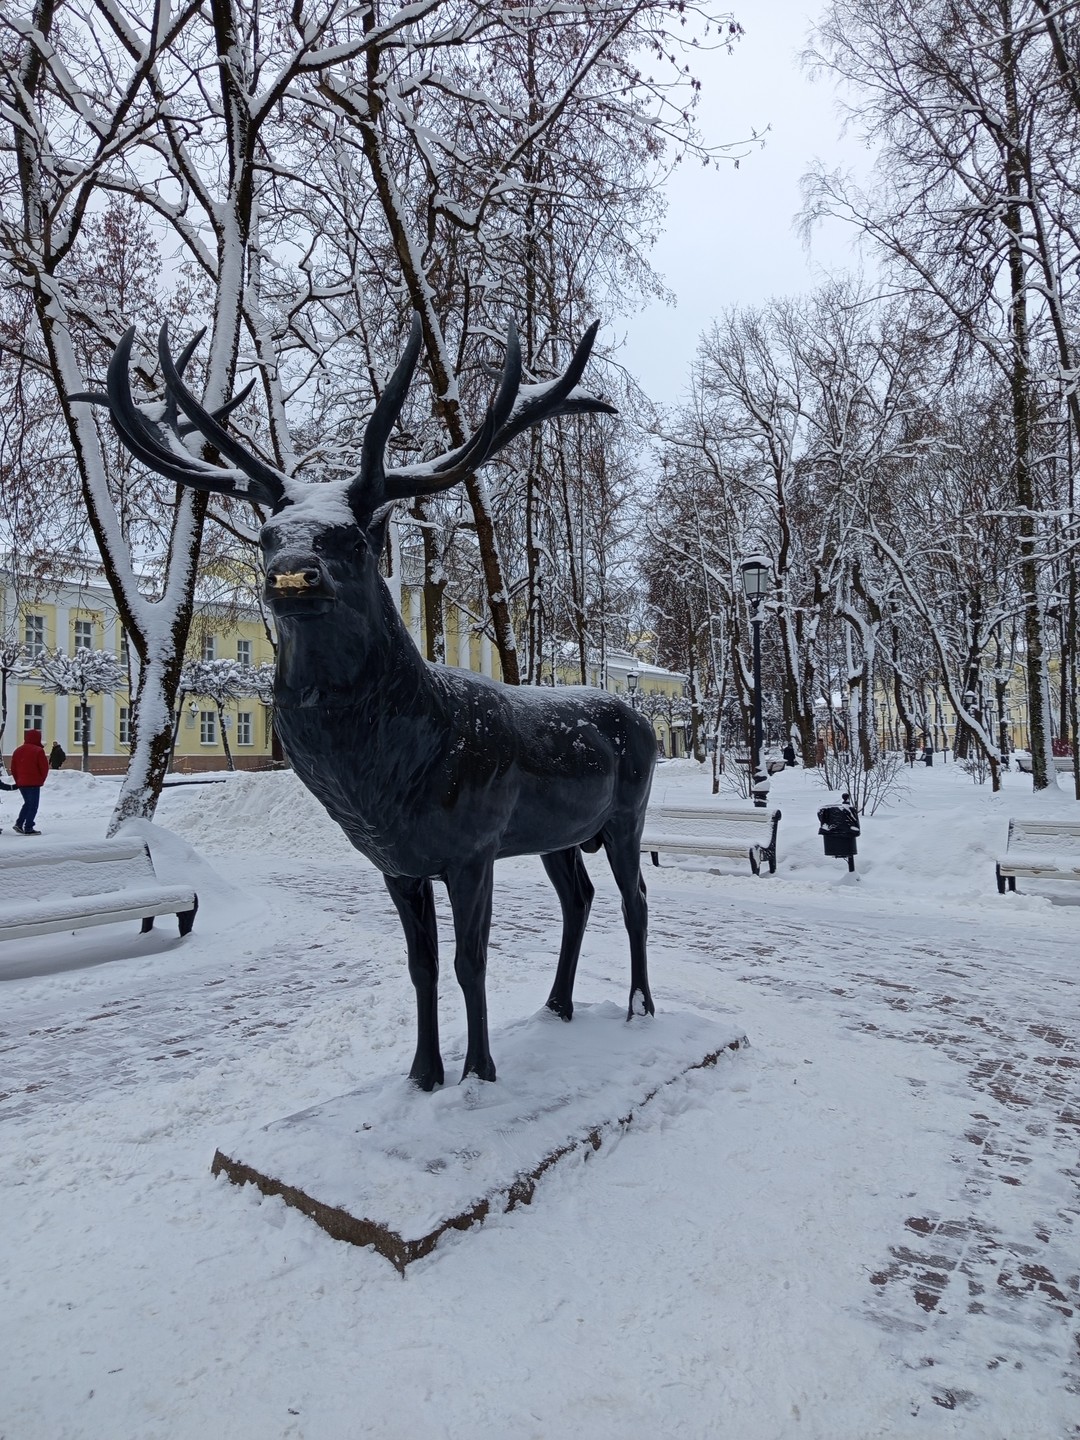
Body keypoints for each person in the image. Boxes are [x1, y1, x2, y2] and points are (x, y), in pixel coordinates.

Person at [10, 727, 50, 835]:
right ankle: (28, 827)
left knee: (27, 804)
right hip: (33, 782)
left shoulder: (18, 750)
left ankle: (19, 823)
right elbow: (44, 768)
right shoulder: (38, 751)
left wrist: (18, 780)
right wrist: (41, 780)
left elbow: (13, 768)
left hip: (22, 782)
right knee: (33, 806)